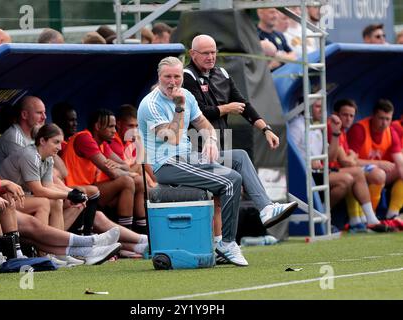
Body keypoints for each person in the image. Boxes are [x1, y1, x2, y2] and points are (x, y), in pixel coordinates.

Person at [138, 56, 297, 267]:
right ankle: (227, 244)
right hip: (166, 164)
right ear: (159, 77)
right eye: (168, 77)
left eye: (177, 76)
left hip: (188, 157)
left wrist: (211, 141)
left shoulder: (186, 95)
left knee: (239, 156)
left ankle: (266, 208)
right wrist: (178, 108)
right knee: (230, 180)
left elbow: (204, 124)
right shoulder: (150, 104)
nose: (173, 82)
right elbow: (173, 137)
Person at [61, 109, 147, 233]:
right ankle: (127, 235)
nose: (114, 130)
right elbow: (113, 172)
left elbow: (124, 165)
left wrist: (119, 167)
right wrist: (127, 172)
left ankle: (142, 232)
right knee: (127, 181)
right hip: (74, 190)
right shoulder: (84, 138)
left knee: (138, 181)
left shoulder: (102, 143)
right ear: (97, 126)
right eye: (111, 126)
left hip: (92, 189)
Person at [0, 123, 88, 232]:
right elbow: (38, 191)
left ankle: (56, 246)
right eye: (56, 142)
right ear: (42, 141)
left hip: (19, 195)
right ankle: (40, 245)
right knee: (43, 203)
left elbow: (48, 186)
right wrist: (68, 195)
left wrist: (74, 193)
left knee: (57, 201)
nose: (59, 147)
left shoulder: (48, 158)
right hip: (4, 196)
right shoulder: (30, 155)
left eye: (60, 143)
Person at [288, 99, 358, 218]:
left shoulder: (317, 127)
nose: (322, 110)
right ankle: (324, 215)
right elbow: (289, 155)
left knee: (349, 179)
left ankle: (322, 215)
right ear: (306, 107)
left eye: (322, 106)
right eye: (317, 107)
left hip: (316, 173)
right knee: (346, 179)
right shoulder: (297, 126)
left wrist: (336, 133)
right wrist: (308, 162)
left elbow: (330, 158)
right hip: (302, 173)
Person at [328, 99, 384, 227]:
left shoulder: (342, 131)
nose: (348, 119)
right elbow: (346, 161)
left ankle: (363, 218)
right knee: (358, 173)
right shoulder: (331, 128)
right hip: (325, 172)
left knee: (362, 174)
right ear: (336, 114)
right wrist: (351, 157)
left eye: (351, 116)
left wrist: (351, 157)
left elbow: (352, 155)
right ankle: (368, 218)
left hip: (335, 171)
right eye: (345, 115)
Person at [347, 99, 403, 219]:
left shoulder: (391, 132)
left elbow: (400, 163)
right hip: (356, 171)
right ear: (373, 116)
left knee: (399, 171)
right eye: (381, 118)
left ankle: (392, 214)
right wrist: (378, 163)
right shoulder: (359, 129)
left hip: (376, 172)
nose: (384, 123)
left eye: (388, 119)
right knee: (379, 174)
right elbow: (349, 162)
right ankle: (368, 216)